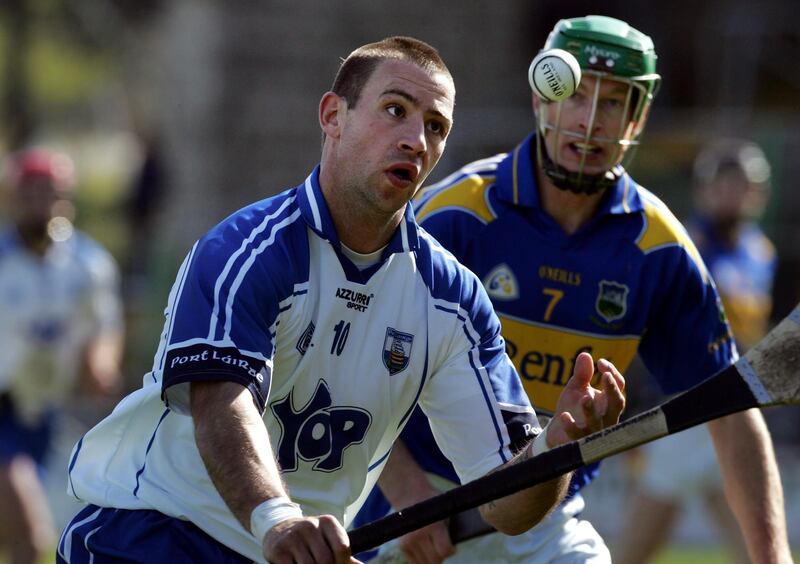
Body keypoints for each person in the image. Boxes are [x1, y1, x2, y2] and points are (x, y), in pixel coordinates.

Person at [57, 36, 626, 564]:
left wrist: (557, 444)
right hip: (150, 537)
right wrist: (278, 521)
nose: (415, 140)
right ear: (333, 116)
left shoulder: (450, 297)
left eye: (435, 126)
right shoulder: (247, 250)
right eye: (395, 110)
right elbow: (221, 404)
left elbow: (507, 502)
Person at [355, 16, 791, 564]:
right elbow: (352, 365)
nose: (589, 122)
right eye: (575, 94)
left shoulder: (660, 250)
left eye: (613, 103)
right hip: (415, 515)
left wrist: (772, 558)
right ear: (542, 99)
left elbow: (732, 411)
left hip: (548, 517)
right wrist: (409, 492)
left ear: (639, 116)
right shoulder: (456, 217)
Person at [615, 138, 778, 564]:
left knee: (757, 546)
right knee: (635, 550)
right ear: (704, 189)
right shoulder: (683, 247)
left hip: (732, 414)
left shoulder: (762, 253)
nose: (736, 193)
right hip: (684, 415)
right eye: (725, 183)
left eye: (745, 184)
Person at [0, 147, 124, 564]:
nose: (41, 202)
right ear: (14, 197)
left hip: (45, 412)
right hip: (4, 410)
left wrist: (101, 365)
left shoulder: (87, 265)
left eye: (49, 192)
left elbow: (103, 327)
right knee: (33, 532)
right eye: (31, 192)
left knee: (26, 541)